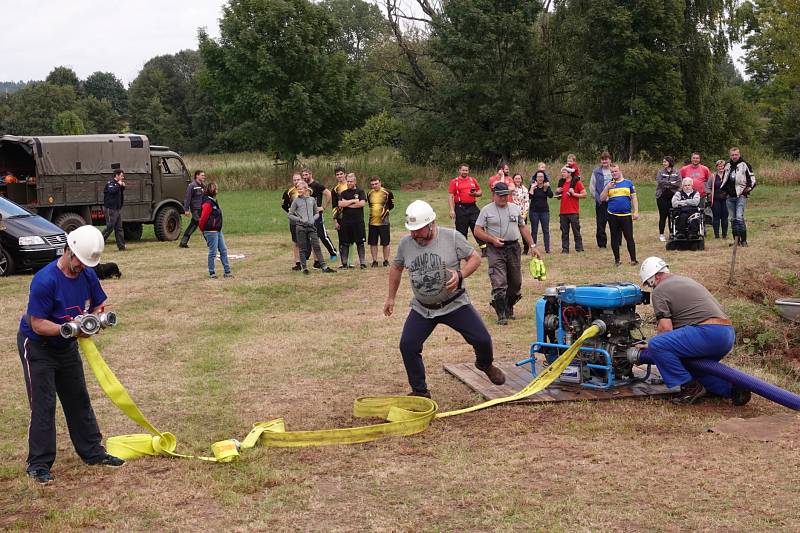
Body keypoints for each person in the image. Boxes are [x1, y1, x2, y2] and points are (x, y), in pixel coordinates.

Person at [17, 225, 125, 484]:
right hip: (39, 347)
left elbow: (99, 304)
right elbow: (37, 324)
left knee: (78, 398)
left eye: (87, 264)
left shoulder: (87, 274)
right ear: (68, 250)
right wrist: (68, 330)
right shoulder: (45, 280)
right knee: (44, 405)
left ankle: (93, 452)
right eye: (79, 262)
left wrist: (96, 320)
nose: (81, 268)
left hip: (66, 346)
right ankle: (39, 464)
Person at [384, 200, 506, 398]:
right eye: (412, 230)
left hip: (455, 303)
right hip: (424, 308)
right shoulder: (406, 244)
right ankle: (420, 392)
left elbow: (474, 258)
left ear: (431, 224)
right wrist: (391, 298)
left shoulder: (452, 237)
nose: (414, 235)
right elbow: (397, 267)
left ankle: (485, 364)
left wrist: (460, 275)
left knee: (482, 339)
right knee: (408, 345)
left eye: (419, 230)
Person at [636, 257, 750, 406]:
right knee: (691, 365)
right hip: (726, 334)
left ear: (655, 278)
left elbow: (665, 328)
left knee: (658, 345)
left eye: (650, 284)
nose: (651, 288)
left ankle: (690, 388)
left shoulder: (660, 290)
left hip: (708, 333)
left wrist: (650, 345)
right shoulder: (685, 281)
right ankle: (731, 389)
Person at [474, 182, 540, 325]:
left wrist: (532, 245)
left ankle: (509, 306)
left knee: (516, 282)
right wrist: (492, 239)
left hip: (513, 247)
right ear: (494, 195)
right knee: (499, 281)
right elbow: (477, 230)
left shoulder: (515, 209)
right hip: (495, 248)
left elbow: (523, 227)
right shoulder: (486, 210)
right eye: (500, 196)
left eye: (506, 195)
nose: (504, 198)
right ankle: (501, 314)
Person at [287, 180, 337, 274]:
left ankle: (324, 267)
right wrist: (299, 220)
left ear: (306, 189)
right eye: (298, 189)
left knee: (316, 246)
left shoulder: (312, 200)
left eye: (301, 189)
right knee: (303, 248)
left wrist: (313, 219)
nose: (299, 190)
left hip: (311, 226)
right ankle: (304, 268)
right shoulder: (296, 201)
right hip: (301, 227)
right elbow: (290, 215)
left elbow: (317, 213)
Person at [600, 164, 639, 266]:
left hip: (626, 215)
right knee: (614, 237)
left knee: (629, 237)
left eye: (615, 171)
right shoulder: (609, 185)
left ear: (620, 171)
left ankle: (633, 259)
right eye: (612, 172)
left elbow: (634, 198)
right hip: (612, 215)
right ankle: (617, 260)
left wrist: (636, 211)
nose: (614, 173)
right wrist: (607, 188)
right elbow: (602, 198)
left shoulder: (628, 183)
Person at [720, 147, 756, 247]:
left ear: (739, 154)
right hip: (729, 197)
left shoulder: (745, 164)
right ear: (730, 155)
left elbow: (753, 180)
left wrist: (746, 191)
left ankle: (744, 241)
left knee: (739, 217)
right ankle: (736, 241)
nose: (734, 156)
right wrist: (723, 191)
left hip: (740, 196)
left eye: (736, 154)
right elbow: (724, 179)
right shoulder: (727, 165)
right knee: (733, 219)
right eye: (732, 155)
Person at [448, 163, 485, 255]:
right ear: (459, 170)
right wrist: (452, 210)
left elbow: (480, 191)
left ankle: (484, 249)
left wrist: (475, 194)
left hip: (472, 207)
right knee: (461, 230)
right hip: (460, 208)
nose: (465, 172)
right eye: (463, 170)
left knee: (478, 227)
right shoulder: (454, 182)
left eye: (466, 170)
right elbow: (450, 196)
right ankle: (463, 250)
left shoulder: (473, 180)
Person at [301, 168, 337, 263]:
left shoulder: (317, 185)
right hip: (307, 215)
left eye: (306, 175)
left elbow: (329, 194)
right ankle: (310, 256)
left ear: (310, 174)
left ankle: (333, 252)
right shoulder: (303, 186)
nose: (305, 177)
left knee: (322, 235)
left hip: (317, 214)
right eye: (303, 175)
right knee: (310, 236)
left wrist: (323, 207)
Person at [198, 182, 233, 279]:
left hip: (217, 230)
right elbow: (203, 218)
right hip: (210, 231)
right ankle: (212, 273)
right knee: (213, 252)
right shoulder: (208, 203)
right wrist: (202, 229)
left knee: (223, 250)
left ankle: (227, 271)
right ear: (212, 190)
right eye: (216, 189)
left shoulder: (213, 201)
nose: (217, 191)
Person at [337, 173, 367, 269]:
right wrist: (353, 201)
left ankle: (362, 263)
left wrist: (347, 203)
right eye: (348, 181)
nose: (349, 183)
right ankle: (345, 263)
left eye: (351, 181)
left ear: (355, 181)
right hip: (346, 222)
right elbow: (340, 204)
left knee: (360, 243)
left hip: (358, 222)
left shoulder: (361, 191)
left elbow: (362, 204)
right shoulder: (343, 193)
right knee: (345, 243)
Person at [557, 166, 586, 253]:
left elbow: (584, 194)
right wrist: (558, 192)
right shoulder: (562, 183)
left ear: (569, 173)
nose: (562, 174)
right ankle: (565, 249)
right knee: (564, 232)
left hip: (573, 211)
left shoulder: (577, 182)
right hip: (563, 212)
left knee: (576, 231)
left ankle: (579, 248)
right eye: (562, 172)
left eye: (564, 172)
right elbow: (560, 197)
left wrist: (574, 194)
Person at [367, 176, 394, 267]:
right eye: (372, 184)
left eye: (376, 183)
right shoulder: (369, 193)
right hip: (372, 222)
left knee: (385, 242)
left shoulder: (387, 192)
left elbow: (391, 205)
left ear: (380, 183)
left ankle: (386, 260)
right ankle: (374, 261)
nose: (374, 186)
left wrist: (384, 212)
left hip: (384, 222)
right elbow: (370, 205)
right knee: (373, 243)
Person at [588, 152, 613, 248]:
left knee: (615, 223)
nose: (604, 161)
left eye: (606, 159)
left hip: (613, 202)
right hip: (601, 203)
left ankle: (617, 241)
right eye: (602, 159)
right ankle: (602, 244)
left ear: (610, 160)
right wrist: (598, 198)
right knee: (600, 224)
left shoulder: (614, 170)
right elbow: (592, 187)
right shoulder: (596, 172)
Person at [655, 156, 681, 242]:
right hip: (661, 197)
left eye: (665, 162)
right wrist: (671, 183)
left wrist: (668, 183)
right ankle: (661, 234)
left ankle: (671, 233)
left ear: (670, 162)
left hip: (673, 197)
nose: (664, 163)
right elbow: (660, 182)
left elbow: (678, 183)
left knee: (672, 216)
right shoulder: (660, 172)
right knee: (663, 216)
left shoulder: (677, 172)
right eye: (663, 162)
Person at [281, 173, 304, 271]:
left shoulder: (307, 190)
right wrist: (291, 212)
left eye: (298, 179)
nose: (296, 181)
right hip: (294, 220)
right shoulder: (288, 192)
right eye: (294, 180)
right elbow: (283, 205)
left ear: (301, 179)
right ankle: (298, 263)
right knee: (295, 241)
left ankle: (312, 260)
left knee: (307, 240)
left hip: (306, 219)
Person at [330, 165, 351, 268]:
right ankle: (343, 262)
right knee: (342, 240)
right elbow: (334, 206)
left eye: (341, 174)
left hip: (352, 216)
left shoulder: (351, 185)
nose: (339, 176)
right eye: (337, 174)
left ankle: (350, 260)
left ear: (345, 174)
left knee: (351, 239)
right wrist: (335, 221)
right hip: (341, 217)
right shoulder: (334, 190)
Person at [180, 170, 206, 248]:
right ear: (197, 176)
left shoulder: (203, 186)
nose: (204, 177)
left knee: (193, 225)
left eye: (204, 175)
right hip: (195, 209)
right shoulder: (192, 185)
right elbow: (187, 198)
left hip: (202, 209)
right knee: (202, 224)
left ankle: (183, 242)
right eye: (202, 175)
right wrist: (186, 209)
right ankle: (210, 242)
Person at [101, 169, 126, 251]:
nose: (123, 177)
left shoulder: (118, 184)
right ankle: (98, 242)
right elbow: (112, 191)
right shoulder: (110, 183)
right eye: (121, 175)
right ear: (117, 175)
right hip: (110, 209)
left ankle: (121, 246)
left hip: (117, 209)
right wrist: (119, 185)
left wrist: (122, 187)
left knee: (119, 228)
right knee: (110, 227)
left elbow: (119, 193)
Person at [528, 170, 553, 253]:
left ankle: (547, 249)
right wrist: (532, 188)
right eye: (538, 176)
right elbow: (529, 197)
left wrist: (546, 188)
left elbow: (551, 195)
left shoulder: (546, 185)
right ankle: (533, 248)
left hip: (544, 211)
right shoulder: (532, 186)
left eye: (542, 177)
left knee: (545, 230)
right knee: (534, 230)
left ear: (544, 178)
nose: (540, 178)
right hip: (534, 211)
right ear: (536, 178)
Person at [707, 159, 729, 239]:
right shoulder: (713, 176)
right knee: (716, 217)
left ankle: (724, 235)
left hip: (726, 199)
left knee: (725, 217)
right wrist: (709, 194)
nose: (721, 167)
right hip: (715, 199)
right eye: (719, 166)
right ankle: (716, 235)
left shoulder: (728, 176)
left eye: (722, 166)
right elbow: (708, 187)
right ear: (717, 167)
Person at [510, 173, 530, 253]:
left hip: (522, 213)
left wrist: (524, 213)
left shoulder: (524, 189)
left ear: (521, 180)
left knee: (523, 231)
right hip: (512, 213)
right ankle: (513, 248)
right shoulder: (511, 188)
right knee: (513, 230)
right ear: (513, 179)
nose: (518, 180)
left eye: (519, 178)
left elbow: (526, 202)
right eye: (516, 178)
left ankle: (526, 248)